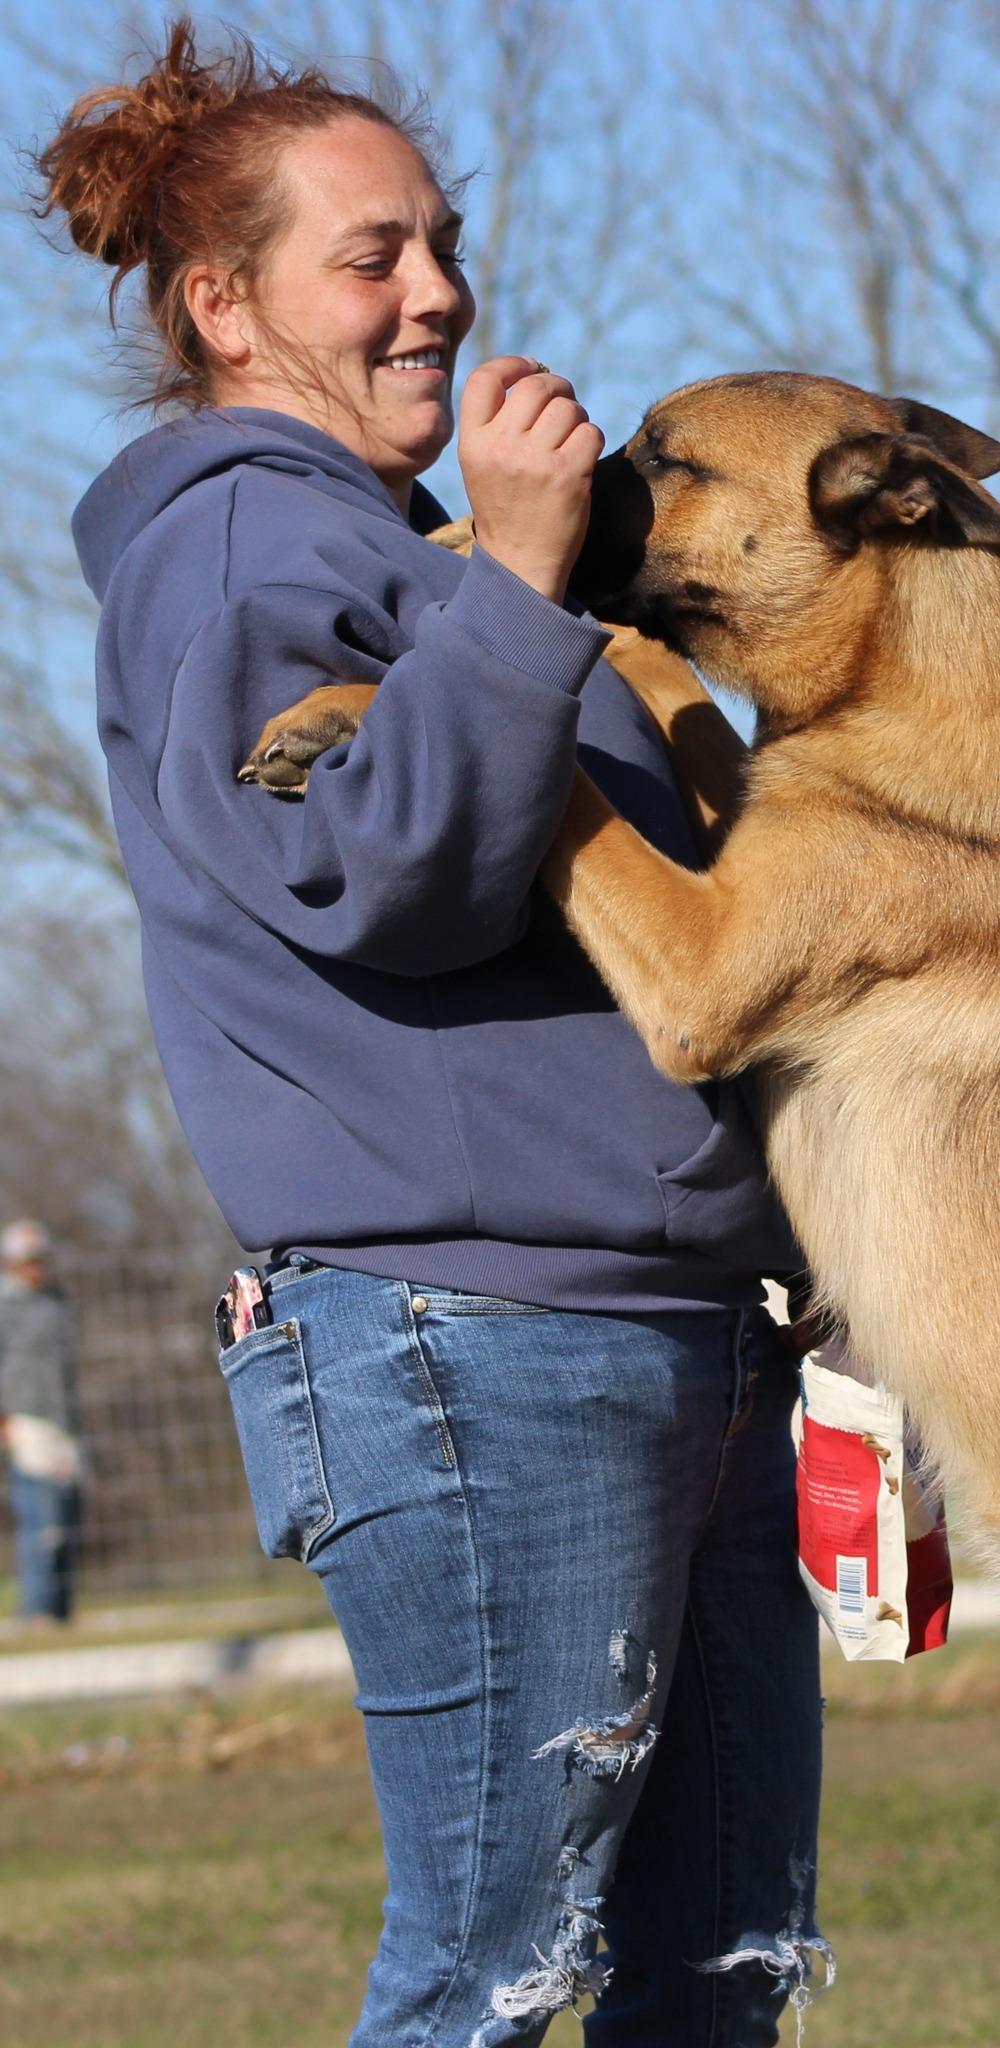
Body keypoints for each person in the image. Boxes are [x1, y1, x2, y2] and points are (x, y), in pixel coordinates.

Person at [37, 20, 824, 2045]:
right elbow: (374, 872)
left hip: (669, 1328)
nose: (441, 294)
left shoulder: (408, 559)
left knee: (714, 1968)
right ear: (224, 303)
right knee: (490, 1977)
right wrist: (529, 579)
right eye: (370, 255)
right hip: (482, 1347)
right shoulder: (245, 550)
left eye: (445, 244)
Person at [0, 1219, 85, 1627]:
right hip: (25, 1418)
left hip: (63, 1420)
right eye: (26, 1261)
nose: (35, 1268)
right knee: (42, 1518)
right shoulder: (4, 1305)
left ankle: (60, 1610)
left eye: (40, 1259)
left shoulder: (57, 1301)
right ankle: (36, 1611)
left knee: (67, 1516)